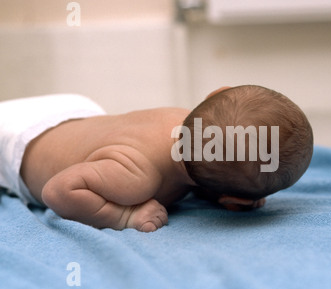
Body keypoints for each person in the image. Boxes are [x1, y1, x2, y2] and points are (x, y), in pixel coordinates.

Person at [0, 85, 313, 232]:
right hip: (14, 144)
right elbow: (57, 191)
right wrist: (124, 217)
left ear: (213, 94)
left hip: (69, 108)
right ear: (234, 201)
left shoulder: (183, 119)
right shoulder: (135, 176)